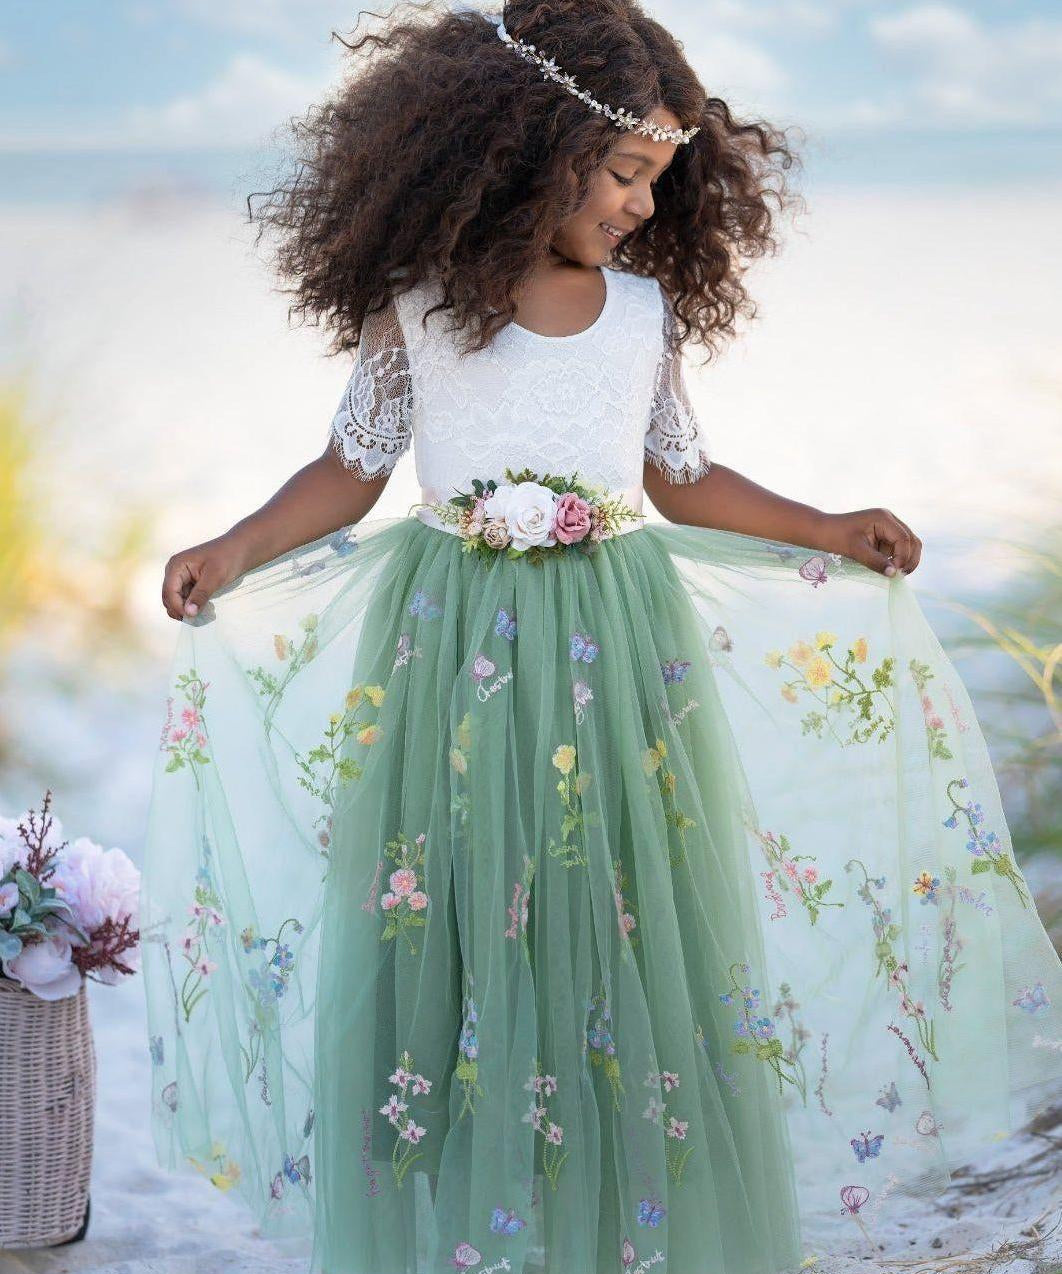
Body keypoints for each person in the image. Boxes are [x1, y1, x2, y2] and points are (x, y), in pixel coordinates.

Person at [141, 4, 1062, 1273]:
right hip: (449, 651)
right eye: (625, 171)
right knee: (460, 912)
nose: (640, 203)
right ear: (530, 141)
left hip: (616, 649)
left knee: (625, 913)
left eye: (657, 179)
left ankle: (615, 1223)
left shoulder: (641, 317)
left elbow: (682, 479)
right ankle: (480, 1218)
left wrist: (831, 525)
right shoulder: (417, 306)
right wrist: (237, 547)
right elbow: (352, 468)